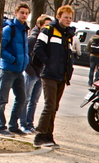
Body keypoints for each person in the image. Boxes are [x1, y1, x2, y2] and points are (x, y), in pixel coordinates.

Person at [32, 5, 75, 149]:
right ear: (59, 17)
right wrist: (48, 63)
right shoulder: (49, 29)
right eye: (65, 17)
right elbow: (38, 48)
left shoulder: (68, 34)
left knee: (54, 107)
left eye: (70, 18)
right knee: (49, 105)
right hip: (50, 74)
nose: (68, 20)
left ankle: (48, 135)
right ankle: (40, 135)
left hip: (61, 75)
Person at [0, 2, 31, 137]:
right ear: (16, 13)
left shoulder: (24, 29)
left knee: (22, 98)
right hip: (8, 69)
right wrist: (13, 59)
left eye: (26, 13)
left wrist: (25, 60)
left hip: (19, 70)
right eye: (22, 12)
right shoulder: (9, 29)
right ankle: (0, 126)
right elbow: (0, 48)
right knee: (2, 99)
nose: (24, 15)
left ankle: (13, 125)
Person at [21, 14, 51, 134]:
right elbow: (26, 56)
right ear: (40, 25)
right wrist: (30, 71)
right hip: (32, 73)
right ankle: (23, 123)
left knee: (34, 101)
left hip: (41, 74)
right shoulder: (33, 39)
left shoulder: (47, 39)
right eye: (46, 25)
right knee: (26, 99)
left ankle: (29, 123)